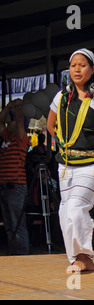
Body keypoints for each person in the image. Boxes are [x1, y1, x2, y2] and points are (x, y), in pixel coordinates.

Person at [47, 48, 94, 272]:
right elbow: (51, 124)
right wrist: (63, 143)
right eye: (73, 65)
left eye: (82, 65)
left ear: (93, 69)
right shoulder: (62, 97)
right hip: (66, 164)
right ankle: (78, 258)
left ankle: (84, 255)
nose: (77, 69)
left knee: (77, 208)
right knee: (65, 211)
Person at [0, 99, 30, 255]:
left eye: (10, 121)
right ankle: (14, 253)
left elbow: (19, 123)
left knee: (18, 224)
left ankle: (22, 254)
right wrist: (8, 107)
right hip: (4, 187)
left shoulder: (21, 140)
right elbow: (0, 121)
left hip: (16, 187)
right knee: (9, 225)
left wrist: (18, 108)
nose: (8, 123)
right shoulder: (6, 138)